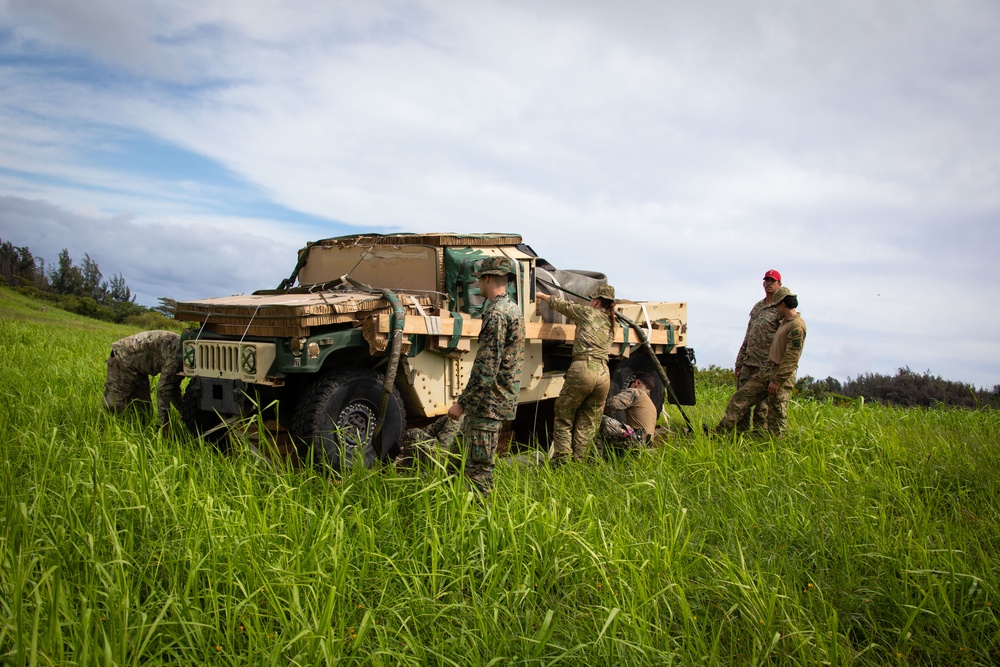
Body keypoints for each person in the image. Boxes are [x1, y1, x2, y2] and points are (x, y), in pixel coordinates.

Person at [447, 256, 525, 496]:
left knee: (479, 471)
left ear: (487, 278)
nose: (478, 284)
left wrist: (462, 403)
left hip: (488, 405)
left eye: (480, 279)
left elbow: (486, 368)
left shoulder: (498, 314)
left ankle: (481, 522)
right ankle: (455, 508)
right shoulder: (513, 309)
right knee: (458, 459)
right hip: (494, 402)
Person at [537, 284, 616, 464]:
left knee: (564, 417)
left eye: (591, 299)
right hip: (604, 374)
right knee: (588, 424)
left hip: (584, 369)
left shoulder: (587, 313)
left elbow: (563, 306)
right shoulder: (612, 323)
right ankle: (579, 464)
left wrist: (542, 295)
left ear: (596, 301)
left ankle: (563, 462)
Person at [715, 293, 807, 437]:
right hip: (767, 371)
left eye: (777, 306)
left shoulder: (796, 326)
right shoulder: (785, 322)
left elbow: (791, 359)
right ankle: (719, 434)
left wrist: (777, 381)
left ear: (783, 304)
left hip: (780, 376)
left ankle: (775, 449)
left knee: (776, 416)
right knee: (740, 398)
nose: (775, 309)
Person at [733, 270, 791, 432]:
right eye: (766, 280)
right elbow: (748, 335)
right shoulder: (758, 306)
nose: (769, 284)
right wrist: (739, 361)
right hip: (748, 362)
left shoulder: (781, 307)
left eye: (772, 281)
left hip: (766, 365)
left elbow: (784, 337)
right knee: (741, 402)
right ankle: (740, 435)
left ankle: (759, 439)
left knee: (762, 408)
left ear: (779, 284)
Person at [103, 330, 183, 426]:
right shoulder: (177, 357)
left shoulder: (184, 355)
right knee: (114, 405)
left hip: (139, 366)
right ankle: (103, 429)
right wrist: (164, 424)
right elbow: (163, 390)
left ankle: (138, 431)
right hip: (123, 357)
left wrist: (185, 412)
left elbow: (173, 389)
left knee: (143, 411)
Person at [598, 371, 659, 455]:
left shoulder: (636, 392)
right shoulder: (651, 405)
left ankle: (596, 457)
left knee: (598, 418)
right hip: (645, 446)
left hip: (635, 441)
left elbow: (611, 405)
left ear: (636, 383)